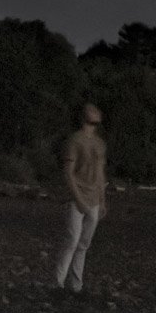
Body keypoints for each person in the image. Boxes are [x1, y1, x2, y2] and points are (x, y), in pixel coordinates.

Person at [54, 102, 107, 292]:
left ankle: (76, 285)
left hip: (93, 199)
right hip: (77, 198)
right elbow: (68, 173)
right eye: (91, 109)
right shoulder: (74, 140)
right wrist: (79, 199)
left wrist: (102, 201)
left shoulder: (99, 143)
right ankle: (57, 283)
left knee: (84, 244)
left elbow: (100, 174)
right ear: (83, 116)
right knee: (72, 240)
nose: (95, 111)